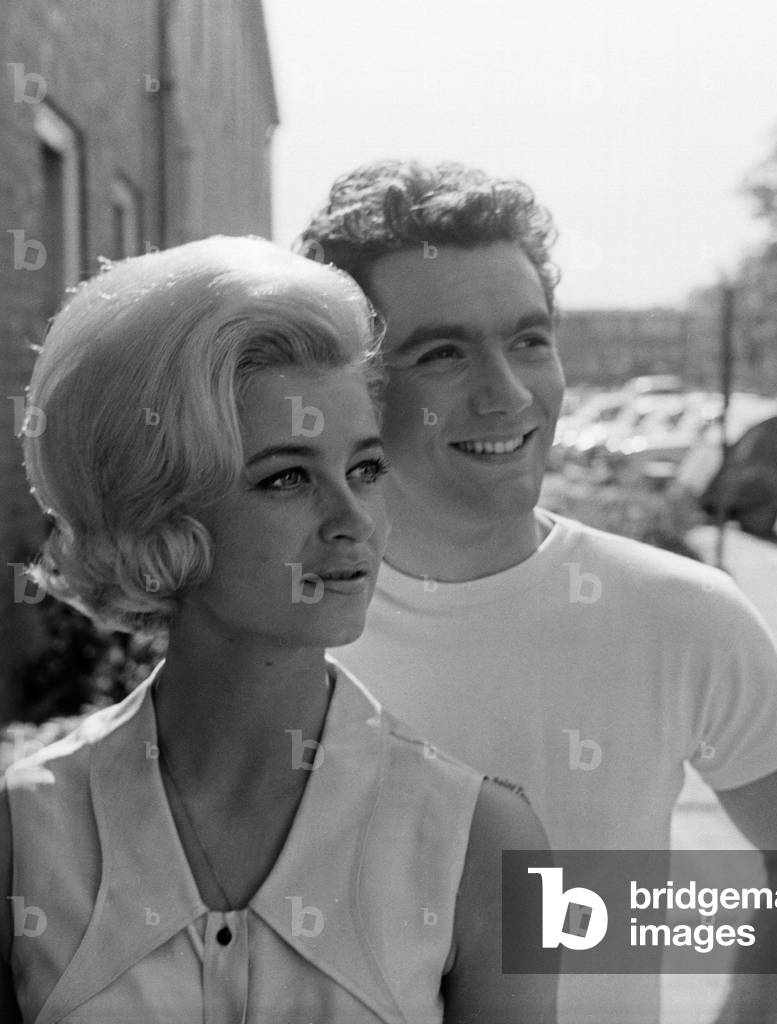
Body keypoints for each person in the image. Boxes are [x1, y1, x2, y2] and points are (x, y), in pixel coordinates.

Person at [298, 161, 777, 1024]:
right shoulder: (281, 624)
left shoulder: (680, 616)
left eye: (529, 339)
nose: (509, 392)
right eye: (443, 352)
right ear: (354, 383)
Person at [0, 236, 554, 1024]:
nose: (352, 520)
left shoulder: (485, 845)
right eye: (287, 477)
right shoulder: (23, 835)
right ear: (162, 512)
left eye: (364, 469)